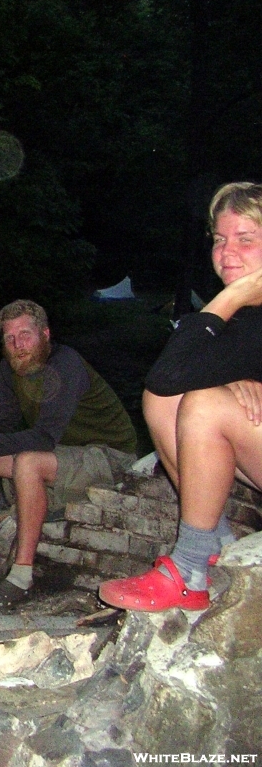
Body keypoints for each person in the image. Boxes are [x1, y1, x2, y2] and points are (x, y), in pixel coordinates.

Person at [99, 182, 262, 612]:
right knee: (167, 403)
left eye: (246, 239)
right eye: (221, 240)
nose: (227, 253)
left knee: (204, 405)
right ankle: (213, 543)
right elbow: (165, 380)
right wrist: (230, 303)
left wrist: (229, 298)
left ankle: (190, 569)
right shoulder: (247, 313)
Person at [0, 299, 137, 611]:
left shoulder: (65, 364)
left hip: (108, 455)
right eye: (10, 338)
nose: (18, 345)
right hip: (62, 452)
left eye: (25, 335)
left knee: (27, 462)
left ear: (45, 334)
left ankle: (22, 576)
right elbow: (0, 425)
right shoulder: (10, 370)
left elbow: (43, 436)